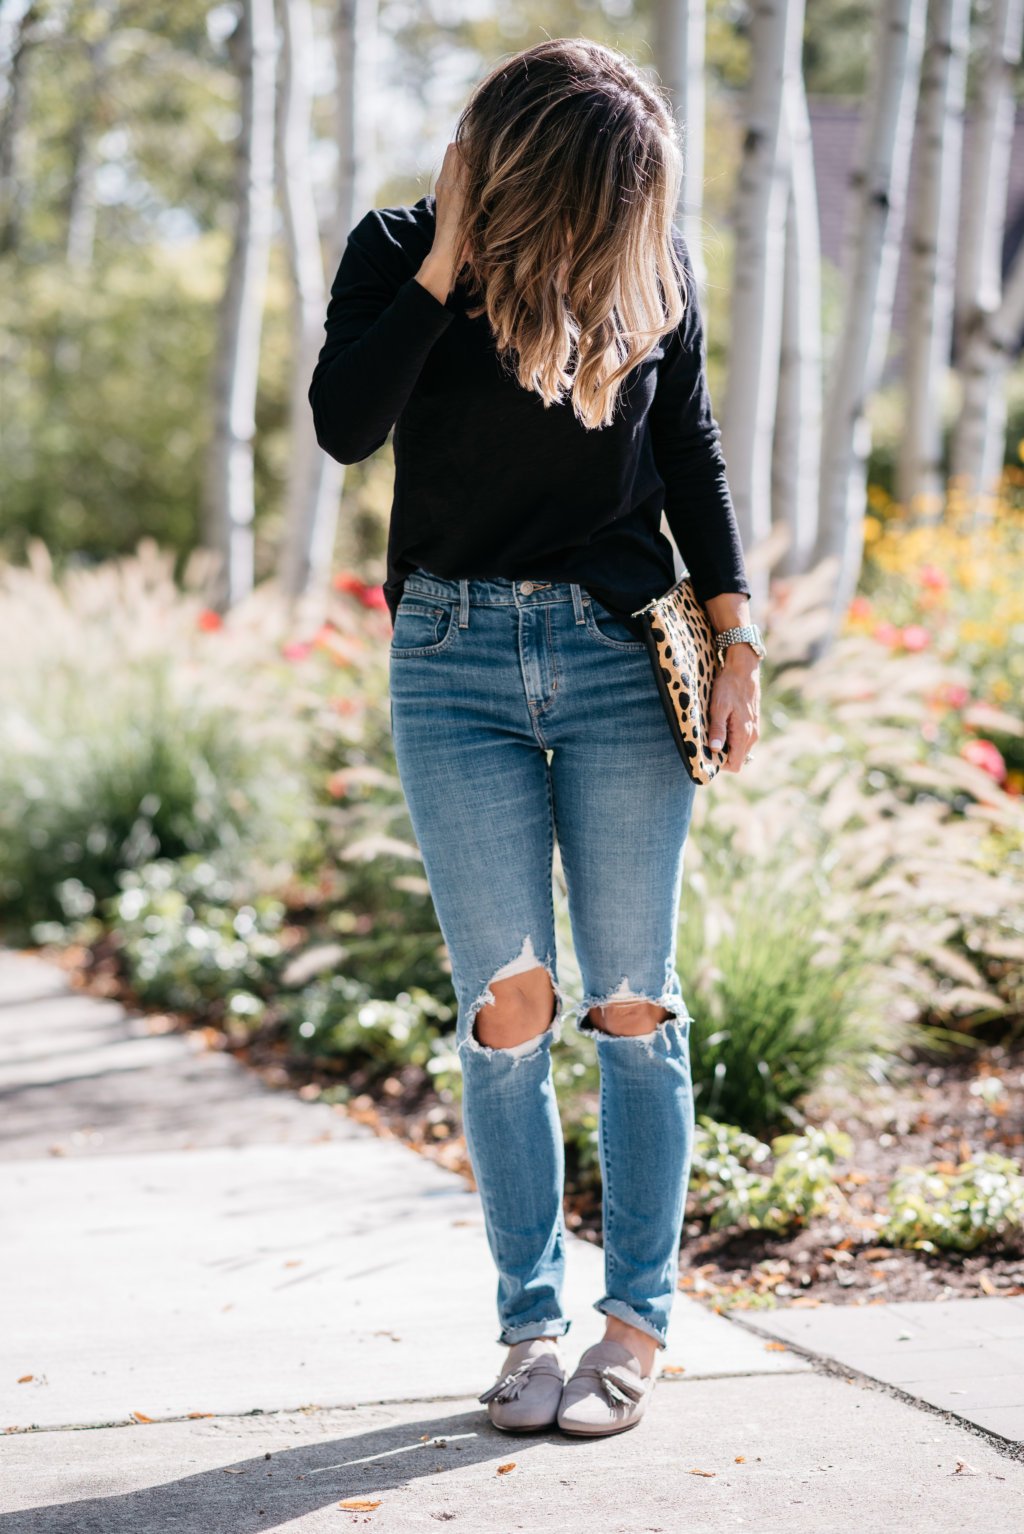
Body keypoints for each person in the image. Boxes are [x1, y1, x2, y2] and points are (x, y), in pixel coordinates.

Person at [309, 36, 761, 1440]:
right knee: (509, 1009)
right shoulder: (399, 254)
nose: (628, 217)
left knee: (633, 1000)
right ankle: (527, 1327)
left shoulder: (648, 275)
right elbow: (342, 424)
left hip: (623, 658)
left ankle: (634, 1325)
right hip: (452, 661)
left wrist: (739, 636)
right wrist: (446, 265)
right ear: (531, 173)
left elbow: (687, 446)